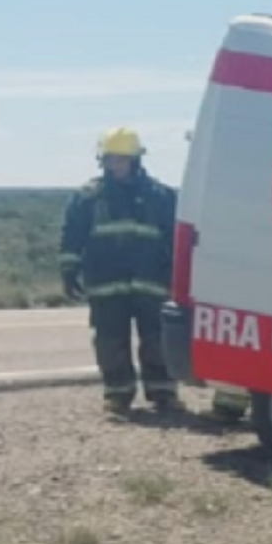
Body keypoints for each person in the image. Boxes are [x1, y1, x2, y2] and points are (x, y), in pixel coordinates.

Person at [60, 127, 182, 417]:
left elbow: (175, 238)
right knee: (110, 340)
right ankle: (118, 394)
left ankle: (163, 391)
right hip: (106, 283)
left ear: (135, 160)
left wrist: (179, 274)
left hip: (151, 282)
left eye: (121, 159)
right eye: (110, 159)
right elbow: (72, 236)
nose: (114, 165)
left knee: (156, 339)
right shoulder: (88, 197)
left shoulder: (161, 196)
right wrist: (68, 269)